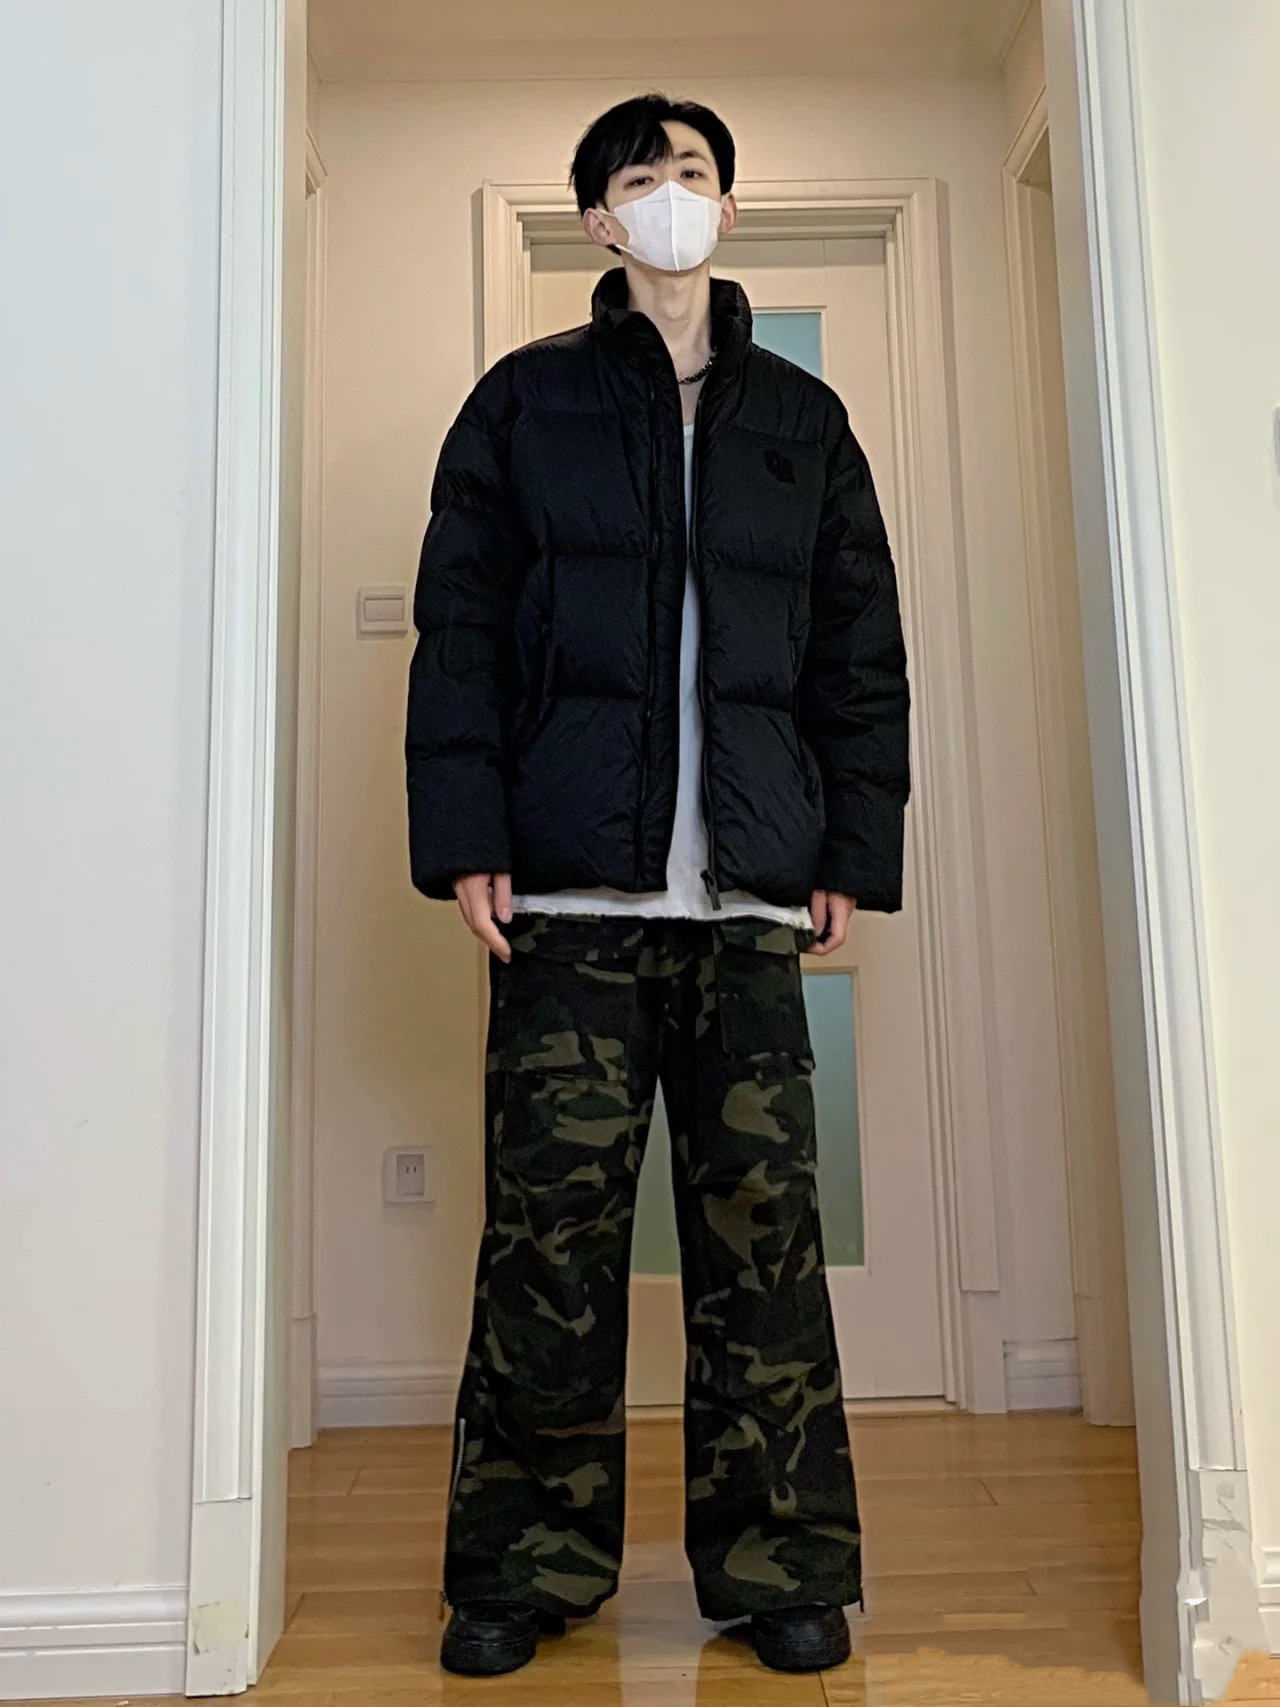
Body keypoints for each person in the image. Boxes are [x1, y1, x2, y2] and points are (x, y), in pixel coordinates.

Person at [405, 92, 911, 1678]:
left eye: (694, 171)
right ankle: (523, 1568)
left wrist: (852, 851)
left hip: (748, 903)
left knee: (763, 1242)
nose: (672, 193)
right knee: (548, 1244)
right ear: (600, 222)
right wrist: (467, 837)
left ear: (728, 210)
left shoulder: (804, 425)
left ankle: (781, 1569)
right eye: (643, 175)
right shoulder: (521, 404)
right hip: (570, 901)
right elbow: (461, 636)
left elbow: (860, 656)